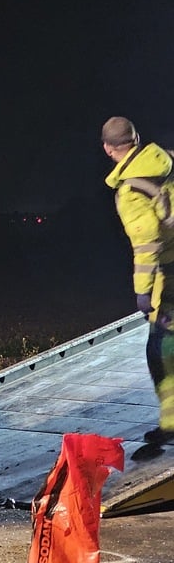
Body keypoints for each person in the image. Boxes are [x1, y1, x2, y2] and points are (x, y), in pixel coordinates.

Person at [102, 116, 174, 445]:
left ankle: (171, 425)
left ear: (108, 149)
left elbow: (148, 245)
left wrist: (142, 294)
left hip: (169, 272)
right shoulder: (166, 158)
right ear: (136, 138)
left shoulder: (130, 190)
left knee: (160, 349)